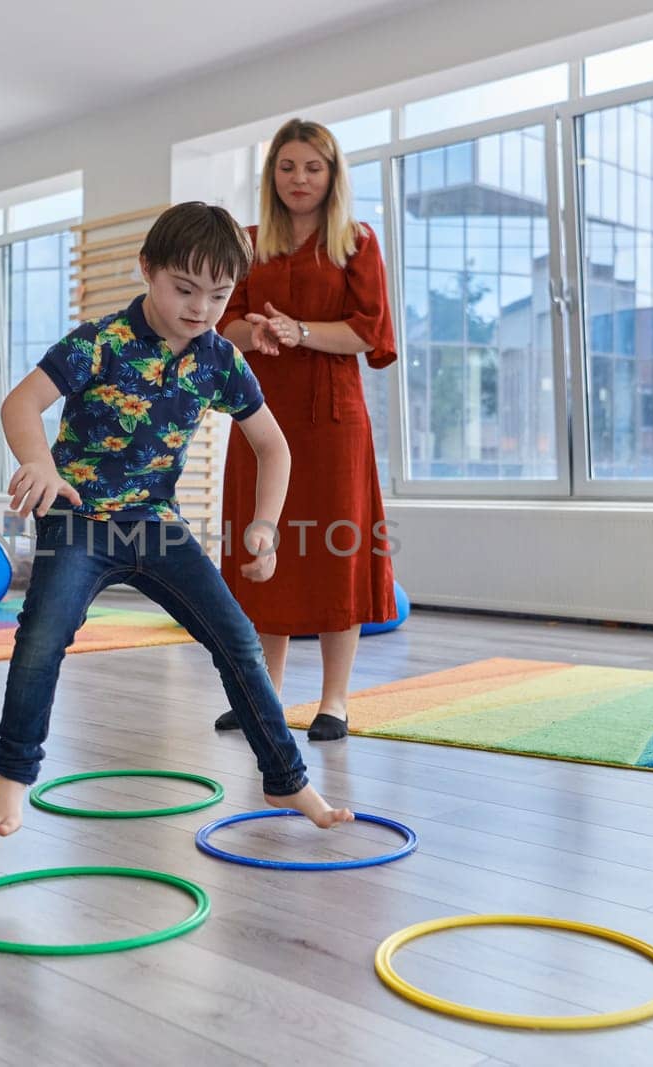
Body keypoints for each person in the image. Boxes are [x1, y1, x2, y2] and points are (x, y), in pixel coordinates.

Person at [0, 201, 354, 839]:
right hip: (80, 516)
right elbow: (22, 402)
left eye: (218, 294)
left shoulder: (219, 361)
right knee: (44, 636)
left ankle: (286, 781)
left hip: (155, 522)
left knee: (237, 639)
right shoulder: (99, 342)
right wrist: (40, 463)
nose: (200, 308)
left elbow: (273, 446)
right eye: (184, 289)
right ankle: (13, 777)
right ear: (146, 269)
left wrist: (265, 525)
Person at [213, 118, 397, 743]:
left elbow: (369, 332)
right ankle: (262, 694)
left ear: (332, 174)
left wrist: (301, 331)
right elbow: (223, 318)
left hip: (332, 421)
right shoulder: (246, 242)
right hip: (260, 411)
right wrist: (256, 333)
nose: (299, 179)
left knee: (333, 551)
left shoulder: (357, 243)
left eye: (312, 167)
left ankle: (335, 700)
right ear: (272, 175)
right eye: (288, 167)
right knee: (263, 552)